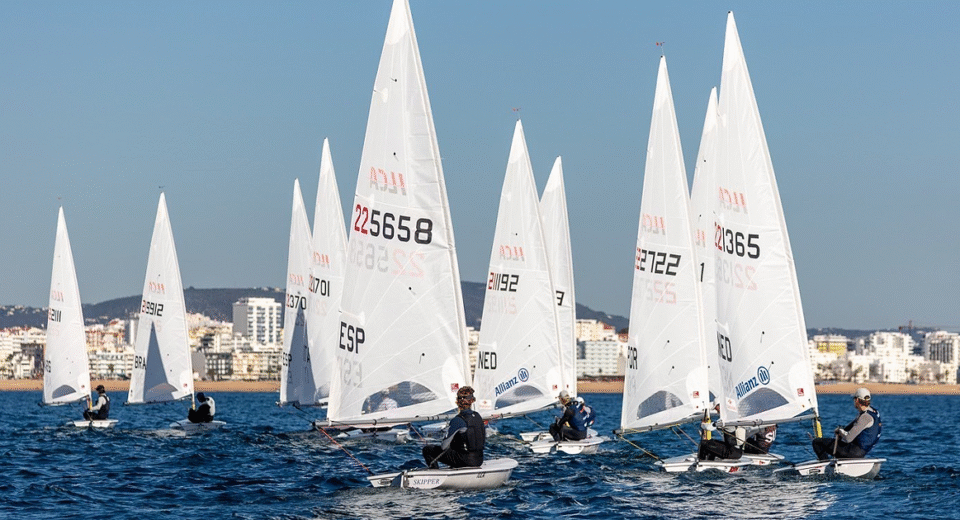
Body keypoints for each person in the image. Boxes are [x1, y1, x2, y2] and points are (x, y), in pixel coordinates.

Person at [422, 386, 485, 469]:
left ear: (458, 401)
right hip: (479, 460)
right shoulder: (478, 416)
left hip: (465, 460)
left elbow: (443, 446)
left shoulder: (458, 420)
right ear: (472, 400)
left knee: (427, 449)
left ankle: (434, 472)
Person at [812, 387, 881, 460]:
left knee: (817, 443)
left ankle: (825, 465)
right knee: (837, 442)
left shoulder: (865, 417)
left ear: (857, 400)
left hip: (853, 452)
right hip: (861, 452)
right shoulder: (874, 412)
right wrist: (842, 431)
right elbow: (853, 425)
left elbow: (848, 438)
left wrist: (840, 431)